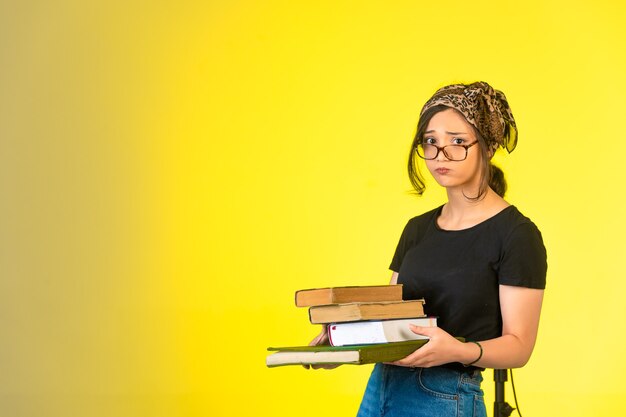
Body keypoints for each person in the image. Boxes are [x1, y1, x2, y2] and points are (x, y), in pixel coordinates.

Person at [306, 81, 547, 417]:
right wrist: (346, 343)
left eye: (458, 142)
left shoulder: (516, 234)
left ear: (489, 147)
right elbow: (390, 317)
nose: (440, 155)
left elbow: (519, 347)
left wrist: (457, 349)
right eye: (431, 142)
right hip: (381, 389)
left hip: (445, 395)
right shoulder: (417, 228)